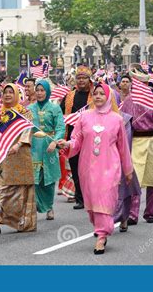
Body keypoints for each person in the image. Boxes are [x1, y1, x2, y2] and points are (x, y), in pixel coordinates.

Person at [58, 83, 133, 254]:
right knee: (92, 204)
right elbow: (76, 140)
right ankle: (100, 227)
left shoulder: (117, 119)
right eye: (95, 94)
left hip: (109, 168)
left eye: (101, 94)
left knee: (104, 200)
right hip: (88, 168)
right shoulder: (84, 117)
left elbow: (123, 148)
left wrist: (127, 170)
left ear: (108, 97)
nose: (98, 96)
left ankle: (101, 235)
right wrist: (67, 144)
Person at [120, 64, 153, 224]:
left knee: (152, 177)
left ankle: (150, 212)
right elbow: (123, 120)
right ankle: (132, 214)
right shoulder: (129, 100)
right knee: (134, 177)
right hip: (136, 140)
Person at [0, 83, 36, 235]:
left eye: (11, 92)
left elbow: (28, 130)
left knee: (21, 189)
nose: (7, 95)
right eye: (5, 92)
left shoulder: (25, 113)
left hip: (20, 154)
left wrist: (20, 144)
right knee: (0, 187)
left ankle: (23, 221)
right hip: (3, 154)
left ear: (17, 94)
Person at [29, 80, 65, 220]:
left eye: (42, 90)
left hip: (50, 146)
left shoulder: (55, 108)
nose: (39, 93)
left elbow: (60, 127)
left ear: (47, 92)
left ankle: (49, 207)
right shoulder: (30, 109)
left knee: (48, 179)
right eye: (37, 90)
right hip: (34, 147)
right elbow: (25, 127)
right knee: (35, 177)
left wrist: (55, 142)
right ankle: (37, 204)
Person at [60, 65, 93, 210]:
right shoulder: (69, 96)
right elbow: (60, 113)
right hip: (73, 137)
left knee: (90, 169)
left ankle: (92, 197)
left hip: (91, 137)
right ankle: (80, 199)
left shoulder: (95, 95)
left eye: (84, 78)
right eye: (78, 78)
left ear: (89, 79)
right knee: (75, 168)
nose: (80, 81)